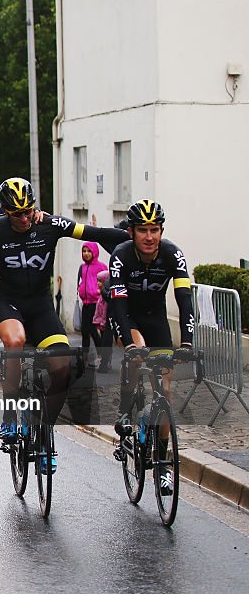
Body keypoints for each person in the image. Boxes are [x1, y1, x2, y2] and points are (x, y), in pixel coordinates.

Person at [0, 178, 129, 471]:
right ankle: (9, 414)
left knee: (63, 366)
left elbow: (93, 232)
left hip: (41, 306)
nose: (25, 218)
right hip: (8, 303)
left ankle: (45, 433)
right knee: (15, 342)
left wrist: (134, 238)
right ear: (5, 211)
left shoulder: (50, 225)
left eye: (28, 210)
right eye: (17, 213)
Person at [107, 200, 195, 495]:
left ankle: (164, 463)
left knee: (165, 392)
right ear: (131, 231)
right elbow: (118, 302)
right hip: (126, 316)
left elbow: (185, 299)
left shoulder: (173, 254)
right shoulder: (121, 256)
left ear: (161, 231)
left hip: (156, 318)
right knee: (137, 351)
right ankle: (123, 411)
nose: (149, 236)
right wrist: (129, 343)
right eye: (142, 230)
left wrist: (187, 343)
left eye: (154, 230)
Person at [77, 242, 108, 367]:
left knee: (94, 330)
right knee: (85, 330)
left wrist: (98, 291)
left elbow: (106, 283)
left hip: (97, 303)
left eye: (89, 251)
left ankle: (102, 357)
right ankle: (84, 358)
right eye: (84, 251)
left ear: (94, 252)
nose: (86, 254)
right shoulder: (83, 267)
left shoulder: (101, 266)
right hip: (86, 302)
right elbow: (82, 281)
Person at [93, 269, 112, 373]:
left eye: (100, 281)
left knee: (106, 342)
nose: (98, 283)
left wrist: (103, 321)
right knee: (104, 340)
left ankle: (106, 362)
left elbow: (105, 311)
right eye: (98, 281)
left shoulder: (106, 295)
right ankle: (105, 361)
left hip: (105, 322)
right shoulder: (101, 295)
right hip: (101, 322)